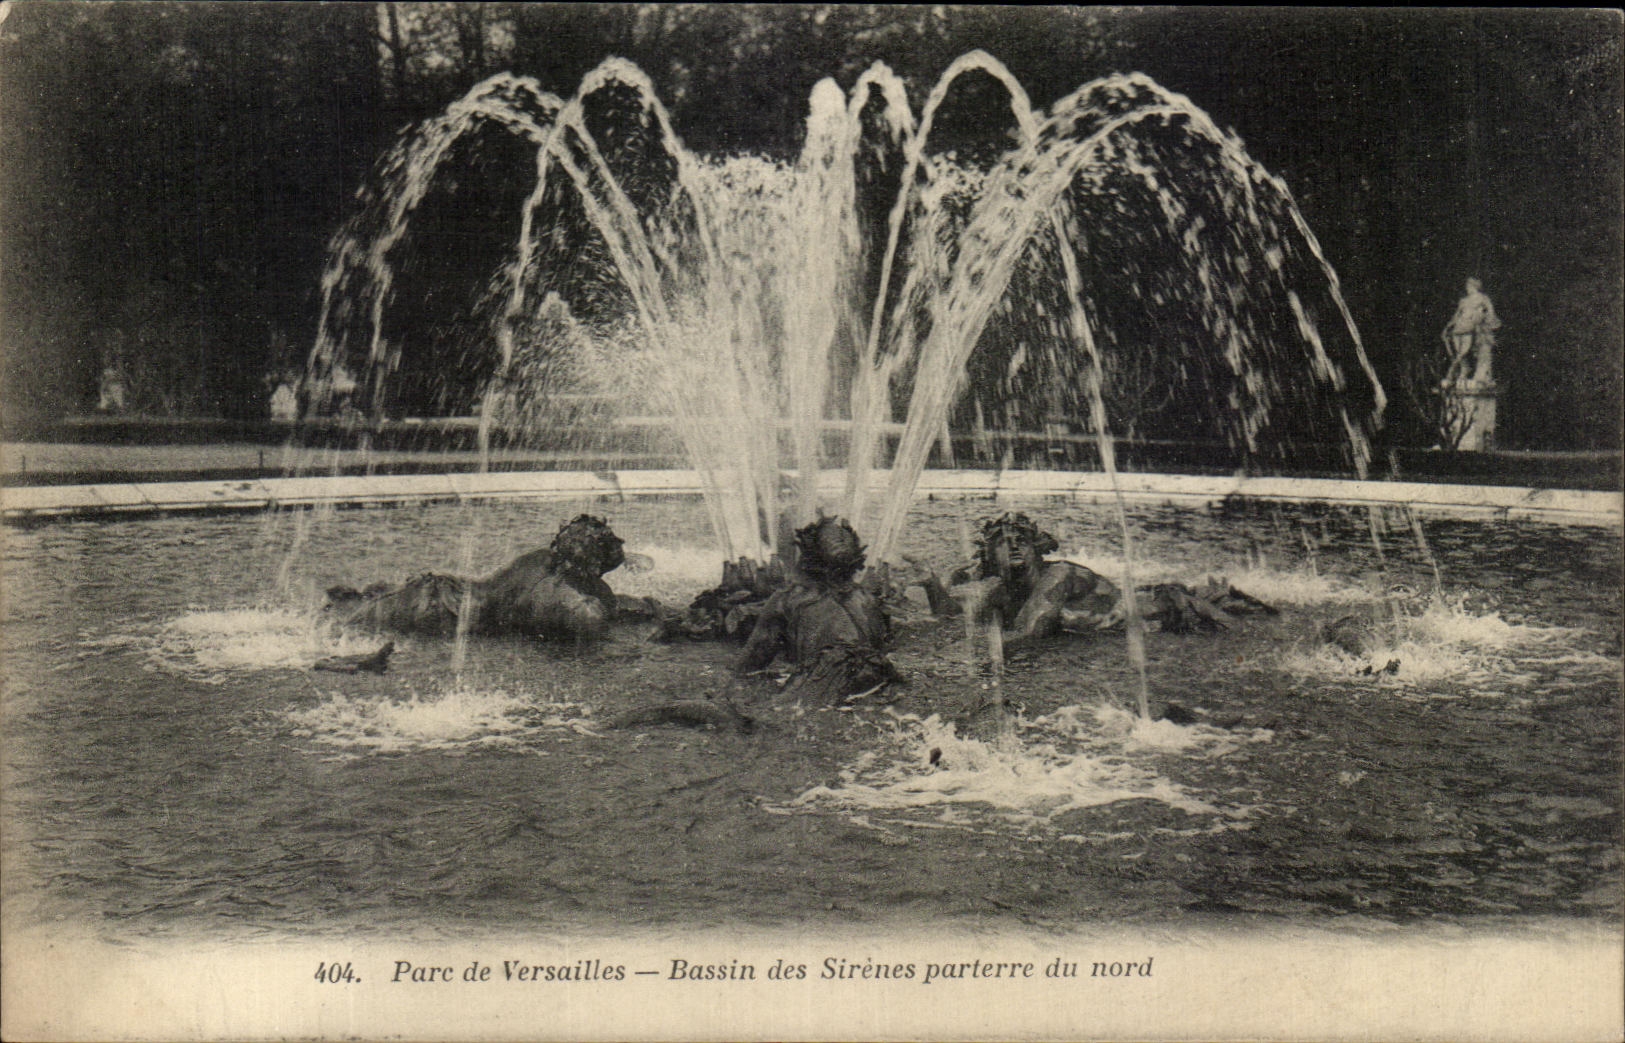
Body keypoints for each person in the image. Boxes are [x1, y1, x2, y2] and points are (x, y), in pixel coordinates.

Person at [915, 512, 1273, 649]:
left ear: (1038, 549)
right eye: (1003, 544)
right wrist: (932, 583)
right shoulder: (1001, 588)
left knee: (1250, 638)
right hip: (1139, 619)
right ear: (989, 556)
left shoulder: (1059, 576)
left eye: (1021, 541)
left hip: (1173, 613)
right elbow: (951, 615)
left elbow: (1029, 632)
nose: (1014, 548)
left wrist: (966, 651)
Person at [331, 514, 645, 642]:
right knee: (348, 631)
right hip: (446, 615)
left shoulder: (541, 559)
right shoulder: (578, 605)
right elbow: (599, 634)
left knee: (346, 623)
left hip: (440, 591)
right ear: (594, 568)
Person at [734, 515, 902, 702]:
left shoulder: (788, 599)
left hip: (819, 684)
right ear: (857, 560)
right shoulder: (867, 600)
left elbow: (749, 666)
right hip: (874, 680)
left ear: (806, 557)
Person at [1441, 277, 1501, 386]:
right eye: (1467, 285)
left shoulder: (1483, 298)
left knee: (1465, 351)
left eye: (1469, 285)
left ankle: (1453, 372)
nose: (1467, 287)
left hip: (1474, 327)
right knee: (1459, 351)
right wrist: (1448, 327)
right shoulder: (1464, 300)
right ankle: (1464, 370)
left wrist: (1483, 319)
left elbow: (1490, 313)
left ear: (1474, 286)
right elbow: (1456, 315)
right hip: (1460, 327)